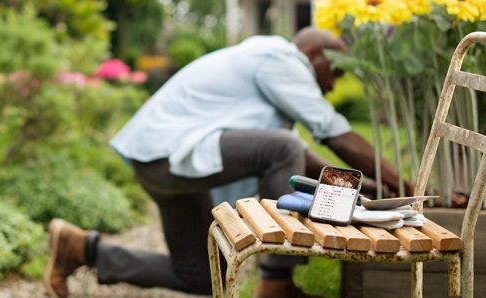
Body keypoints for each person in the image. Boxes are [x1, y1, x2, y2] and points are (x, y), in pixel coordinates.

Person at [43, 27, 415, 298]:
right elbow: (330, 133)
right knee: (282, 146)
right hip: (171, 155)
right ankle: (276, 282)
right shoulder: (281, 58)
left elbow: (295, 157)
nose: (333, 86)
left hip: (162, 160)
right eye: (335, 72)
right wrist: (408, 185)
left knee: (203, 277)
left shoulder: (263, 62)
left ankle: (81, 249)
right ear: (313, 54)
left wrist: (374, 188)